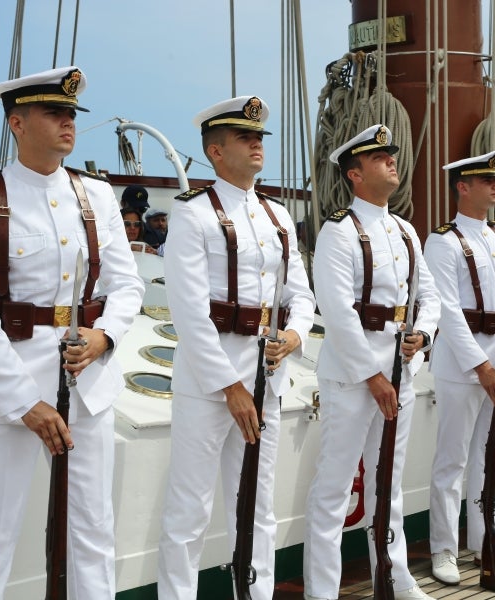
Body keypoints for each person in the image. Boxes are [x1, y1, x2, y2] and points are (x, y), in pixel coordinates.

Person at [0, 66, 144, 600]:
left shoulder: (98, 197)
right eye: (54, 113)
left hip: (89, 381)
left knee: (93, 532)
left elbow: (127, 285)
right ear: (16, 122)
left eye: (71, 114)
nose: (67, 123)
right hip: (6, 391)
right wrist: (25, 402)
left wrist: (106, 337)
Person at [157, 95, 314, 600]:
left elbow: (301, 294)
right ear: (215, 152)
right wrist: (230, 385)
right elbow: (188, 310)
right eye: (245, 138)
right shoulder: (193, 215)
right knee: (190, 508)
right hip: (211, 379)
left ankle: (255, 593)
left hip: (267, 373)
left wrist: (293, 334)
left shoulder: (279, 217)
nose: (256, 144)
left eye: (259, 137)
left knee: (257, 502)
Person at [304, 124, 440, 600]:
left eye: (391, 154)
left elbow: (429, 297)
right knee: (335, 489)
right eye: (380, 157)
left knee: (390, 483)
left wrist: (421, 336)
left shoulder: (405, 231)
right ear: (355, 174)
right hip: (351, 376)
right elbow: (338, 313)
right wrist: (374, 376)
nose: (392, 161)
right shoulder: (338, 232)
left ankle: (395, 573)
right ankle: (321, 591)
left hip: (399, 372)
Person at [424, 152, 495, 584]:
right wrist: (481, 366)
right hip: (462, 365)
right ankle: (443, 548)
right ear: (462, 186)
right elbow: (447, 311)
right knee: (452, 461)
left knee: (489, 460)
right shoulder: (443, 241)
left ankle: (488, 539)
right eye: (485, 179)